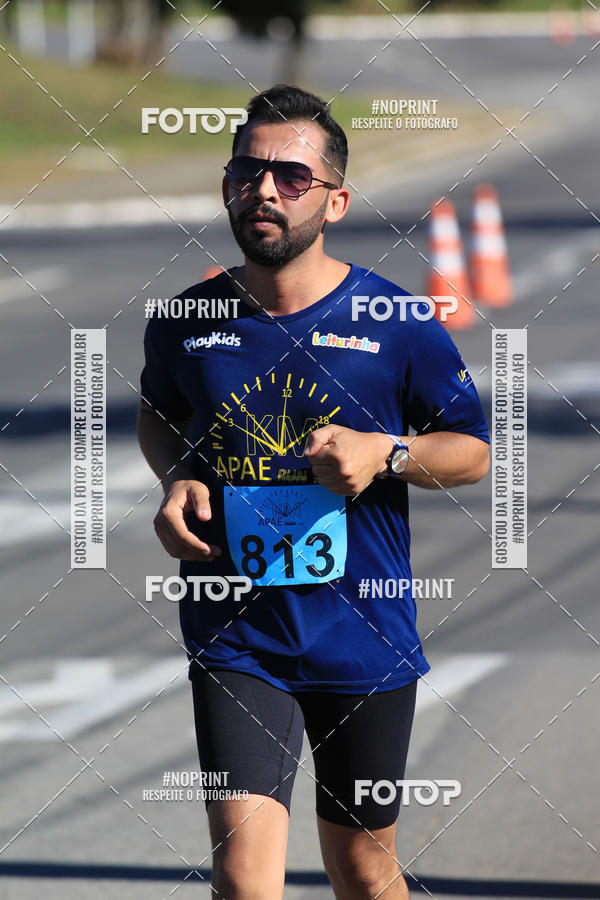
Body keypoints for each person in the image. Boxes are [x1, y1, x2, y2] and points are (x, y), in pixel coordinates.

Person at [138, 84, 490, 900]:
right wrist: (178, 476)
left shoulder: (393, 320)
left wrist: (387, 453)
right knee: (241, 874)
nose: (264, 189)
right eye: (247, 171)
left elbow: (471, 451)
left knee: (363, 867)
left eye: (291, 177)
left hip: (361, 634)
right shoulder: (185, 323)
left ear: (335, 201)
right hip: (238, 634)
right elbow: (162, 413)